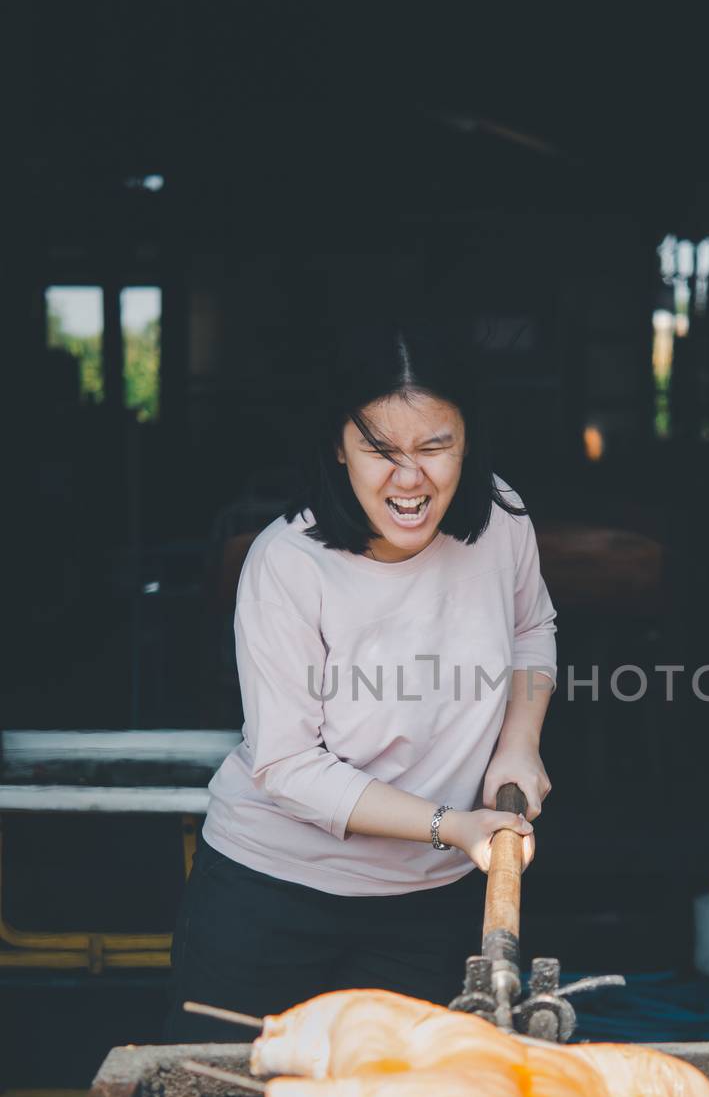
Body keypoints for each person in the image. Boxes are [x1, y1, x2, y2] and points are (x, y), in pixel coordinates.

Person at [163, 321, 556, 1040]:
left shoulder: (501, 520)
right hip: (271, 897)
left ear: (467, 444)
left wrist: (518, 745)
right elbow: (286, 763)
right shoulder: (288, 564)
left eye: (436, 447)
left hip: (431, 903)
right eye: (381, 450)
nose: (411, 481)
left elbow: (533, 630)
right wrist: (450, 826)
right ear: (338, 448)